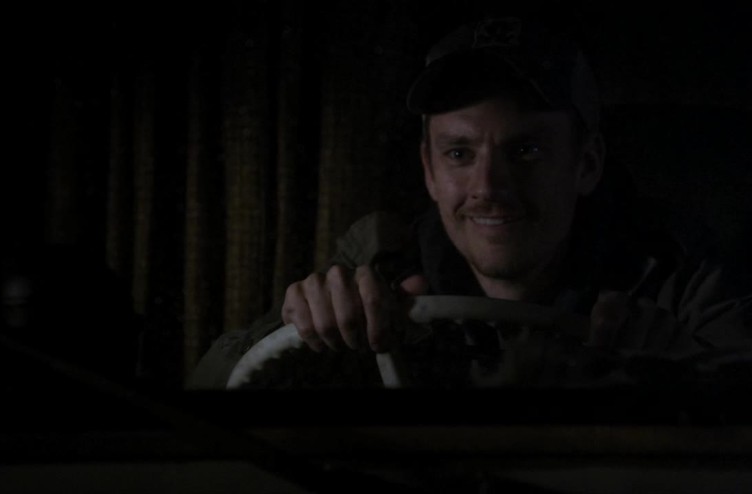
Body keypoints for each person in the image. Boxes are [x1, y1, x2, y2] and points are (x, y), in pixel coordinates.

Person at [187, 14, 752, 389]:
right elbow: (209, 387)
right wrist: (297, 331)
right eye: (459, 153)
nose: (488, 187)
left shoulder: (677, 270)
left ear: (587, 164)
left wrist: (686, 373)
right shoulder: (383, 261)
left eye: (525, 150)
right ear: (429, 171)